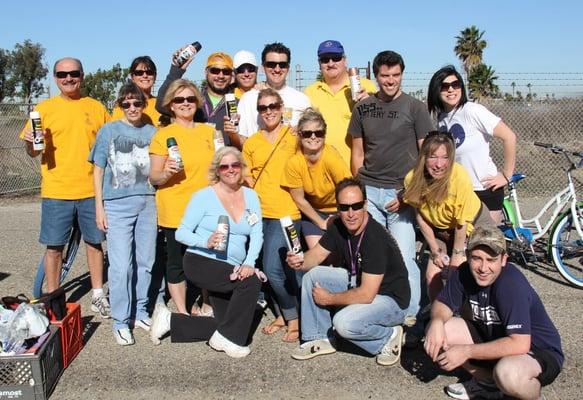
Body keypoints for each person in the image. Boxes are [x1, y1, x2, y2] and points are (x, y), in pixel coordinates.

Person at [424, 226, 563, 400]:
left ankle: (527, 394)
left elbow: (520, 344)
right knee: (439, 329)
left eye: (491, 260)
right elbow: (442, 304)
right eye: (477, 258)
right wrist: (436, 321)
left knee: (508, 374)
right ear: (467, 256)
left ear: (504, 260)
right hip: (496, 337)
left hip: (538, 351)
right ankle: (487, 383)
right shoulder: (463, 273)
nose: (483, 267)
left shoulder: (511, 284)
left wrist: (466, 351)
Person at [150, 147, 264, 358]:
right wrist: (205, 241)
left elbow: (257, 234)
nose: (230, 170)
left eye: (235, 165)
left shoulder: (251, 196)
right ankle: (230, 340)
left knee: (230, 321)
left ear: (241, 167)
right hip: (201, 261)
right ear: (217, 171)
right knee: (251, 283)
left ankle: (169, 321)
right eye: (224, 166)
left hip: (232, 266)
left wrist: (249, 263)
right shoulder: (203, 197)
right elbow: (181, 233)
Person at [19, 57, 111, 318]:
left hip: (92, 191)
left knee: (94, 244)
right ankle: (53, 299)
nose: (68, 78)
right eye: (62, 74)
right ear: (55, 77)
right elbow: (33, 152)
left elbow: (108, 147)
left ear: (82, 75)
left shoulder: (96, 108)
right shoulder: (43, 109)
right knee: (54, 248)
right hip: (57, 191)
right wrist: (29, 142)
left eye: (73, 73)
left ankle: (97, 295)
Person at [287, 178, 410, 366]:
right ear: (338, 208)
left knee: (344, 323)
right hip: (360, 281)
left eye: (356, 206)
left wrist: (329, 298)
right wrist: (299, 261)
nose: (350, 213)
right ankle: (320, 337)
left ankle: (389, 336)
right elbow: (316, 256)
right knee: (313, 275)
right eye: (344, 207)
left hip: (391, 301)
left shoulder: (375, 238)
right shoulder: (338, 226)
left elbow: (367, 295)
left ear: (366, 205)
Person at [348, 50, 434, 320]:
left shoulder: (415, 108)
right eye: (385, 75)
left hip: (401, 196)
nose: (391, 80)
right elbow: (358, 154)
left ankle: (410, 314)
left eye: (396, 75)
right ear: (376, 76)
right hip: (370, 193)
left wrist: (409, 194)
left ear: (402, 74)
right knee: (371, 256)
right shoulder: (364, 108)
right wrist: (360, 190)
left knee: (404, 255)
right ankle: (371, 307)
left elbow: (426, 157)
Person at [89, 82, 157, 345]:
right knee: (120, 266)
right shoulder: (109, 131)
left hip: (148, 202)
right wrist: (99, 206)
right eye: (126, 103)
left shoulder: (153, 132)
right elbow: (98, 169)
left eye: (136, 103)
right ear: (120, 106)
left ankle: (140, 311)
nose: (132, 108)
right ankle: (120, 320)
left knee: (146, 261)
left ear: (144, 104)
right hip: (116, 204)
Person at [149, 79, 215, 316]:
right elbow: (154, 177)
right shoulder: (163, 135)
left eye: (190, 99)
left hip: (206, 208)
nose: (185, 103)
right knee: (176, 262)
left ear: (197, 103)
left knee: (207, 258)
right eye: (179, 100)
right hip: (176, 208)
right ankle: (182, 311)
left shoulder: (209, 131)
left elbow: (220, 164)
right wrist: (166, 172)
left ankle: (207, 304)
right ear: (171, 105)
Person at [403, 131, 495, 301]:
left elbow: (462, 223)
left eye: (445, 158)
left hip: (473, 223)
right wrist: (435, 250)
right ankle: (438, 314)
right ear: (424, 157)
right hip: (441, 229)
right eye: (433, 157)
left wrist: (456, 257)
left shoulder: (458, 176)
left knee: (480, 269)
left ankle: (479, 312)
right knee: (433, 274)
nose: (439, 164)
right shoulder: (411, 179)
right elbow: (421, 217)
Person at [242, 88, 301, 342]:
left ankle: (295, 319)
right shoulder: (252, 142)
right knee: (268, 269)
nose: (269, 111)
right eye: (263, 108)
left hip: (287, 213)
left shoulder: (294, 136)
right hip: (259, 214)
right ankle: (282, 313)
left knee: (276, 269)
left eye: (273, 106)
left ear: (281, 107)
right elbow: (246, 177)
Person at [427, 65, 517, 224]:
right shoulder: (441, 116)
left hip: (483, 189)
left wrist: (506, 175)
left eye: (455, 85)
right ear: (436, 90)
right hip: (458, 189)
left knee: (484, 243)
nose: (451, 90)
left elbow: (509, 137)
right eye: (445, 86)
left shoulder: (472, 111)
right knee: (461, 243)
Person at [281, 108, 351, 248]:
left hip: (339, 209)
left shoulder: (331, 158)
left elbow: (348, 189)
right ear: (300, 135)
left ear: (324, 134)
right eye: (307, 133)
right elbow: (299, 199)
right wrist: (320, 223)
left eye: (318, 132)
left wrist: (339, 216)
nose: (313, 137)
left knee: (338, 252)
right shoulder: (294, 162)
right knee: (318, 253)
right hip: (314, 211)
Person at [304, 40, 376, 164]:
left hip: (356, 169)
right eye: (325, 59)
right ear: (319, 63)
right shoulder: (310, 92)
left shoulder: (366, 86)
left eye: (336, 58)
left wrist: (370, 105)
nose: (330, 63)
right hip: (322, 170)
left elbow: (380, 125)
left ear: (345, 60)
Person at [156, 50, 235, 145]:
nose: (220, 75)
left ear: (231, 75)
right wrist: (176, 71)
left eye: (226, 72)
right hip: (195, 157)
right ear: (206, 72)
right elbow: (161, 104)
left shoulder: (237, 104)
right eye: (215, 71)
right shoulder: (192, 100)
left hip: (223, 158)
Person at [237, 42, 311, 141]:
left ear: (288, 68)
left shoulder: (302, 99)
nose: (277, 69)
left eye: (282, 65)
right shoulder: (248, 99)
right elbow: (242, 138)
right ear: (263, 67)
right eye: (271, 64)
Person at [111, 56, 162, 126]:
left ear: (155, 76)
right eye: (139, 73)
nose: (145, 76)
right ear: (132, 77)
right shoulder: (125, 105)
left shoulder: (161, 104)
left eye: (149, 72)